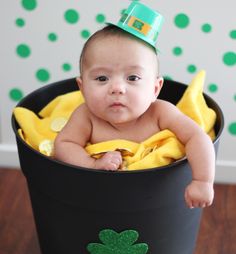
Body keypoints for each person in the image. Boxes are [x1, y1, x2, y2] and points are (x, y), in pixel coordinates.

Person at [54, 2, 215, 209]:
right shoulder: (85, 116)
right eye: (102, 78)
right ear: (82, 88)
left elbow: (197, 137)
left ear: (155, 89)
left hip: (156, 200)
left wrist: (202, 181)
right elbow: (64, 145)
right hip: (98, 203)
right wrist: (92, 164)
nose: (117, 88)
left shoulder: (161, 113)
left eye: (132, 77)